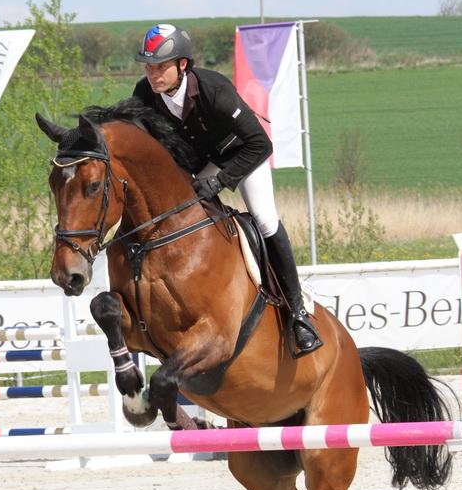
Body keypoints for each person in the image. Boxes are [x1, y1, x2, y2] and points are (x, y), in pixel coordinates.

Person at [132, 23, 322, 357]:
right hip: (204, 163)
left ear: (182, 64)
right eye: (149, 67)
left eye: (160, 66)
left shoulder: (214, 89)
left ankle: (298, 313)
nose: (153, 74)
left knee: (264, 219)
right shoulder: (144, 94)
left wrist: (220, 182)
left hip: (243, 155)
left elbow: (260, 144)